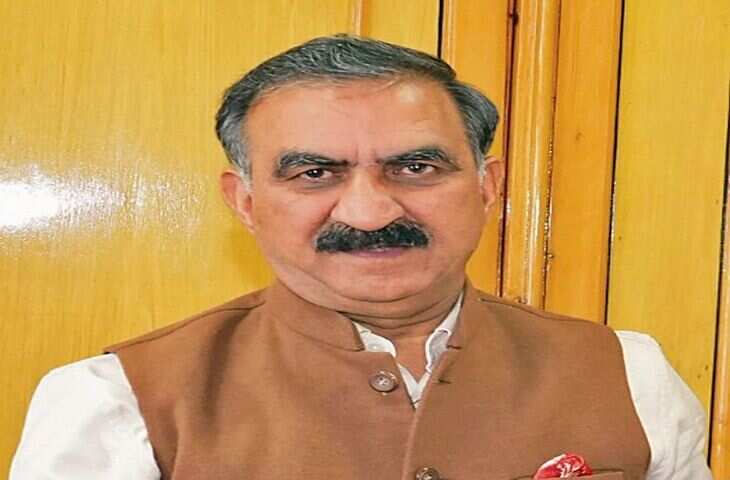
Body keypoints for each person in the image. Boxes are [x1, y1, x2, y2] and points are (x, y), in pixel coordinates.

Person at [11, 35, 711, 480]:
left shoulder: (630, 375)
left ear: (487, 187)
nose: (371, 212)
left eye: (416, 167)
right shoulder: (117, 402)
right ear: (246, 202)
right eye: (315, 173)